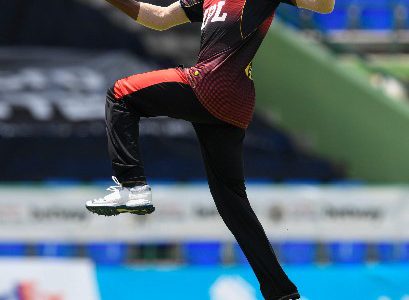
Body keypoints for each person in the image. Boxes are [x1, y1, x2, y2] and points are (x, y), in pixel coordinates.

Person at [86, 0, 334, 298]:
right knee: (232, 202)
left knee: (121, 93)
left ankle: (132, 186)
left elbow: (323, 5)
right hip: (234, 104)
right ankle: (281, 292)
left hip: (210, 85)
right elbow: (160, 18)